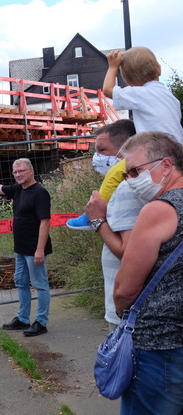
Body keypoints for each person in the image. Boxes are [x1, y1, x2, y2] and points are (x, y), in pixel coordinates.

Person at [67, 47, 183, 230]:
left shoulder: (140, 93)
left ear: (128, 81)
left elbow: (107, 89)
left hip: (157, 151)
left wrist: (112, 67)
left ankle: (94, 214)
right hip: (177, 151)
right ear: (159, 70)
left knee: (115, 173)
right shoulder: (169, 97)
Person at [113, 132, 183, 413]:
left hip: (160, 345)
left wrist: (121, 310)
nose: (131, 180)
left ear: (166, 165)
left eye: (135, 171)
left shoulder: (159, 210)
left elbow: (125, 289)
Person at [0, 158, 52, 337]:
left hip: (34, 249)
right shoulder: (18, 189)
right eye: (15, 172)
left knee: (40, 285)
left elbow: (45, 222)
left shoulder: (40, 192)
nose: (18, 175)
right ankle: (22, 319)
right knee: (21, 282)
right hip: (21, 248)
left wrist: (39, 250)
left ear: (30, 171)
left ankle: (41, 322)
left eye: (21, 171)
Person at [81, 120, 142, 330]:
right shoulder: (129, 185)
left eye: (102, 149)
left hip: (126, 313)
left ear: (125, 148)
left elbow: (129, 253)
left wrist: (97, 220)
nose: (97, 157)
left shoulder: (127, 188)